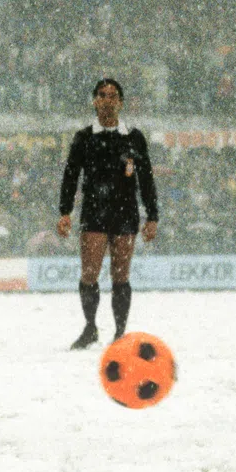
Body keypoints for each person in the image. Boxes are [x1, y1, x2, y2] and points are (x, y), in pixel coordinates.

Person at [56, 78, 158, 349]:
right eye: (102, 95)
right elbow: (71, 176)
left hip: (125, 213)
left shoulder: (134, 137)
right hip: (94, 212)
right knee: (89, 273)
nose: (107, 100)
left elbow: (146, 178)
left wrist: (153, 215)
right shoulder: (84, 137)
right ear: (94, 101)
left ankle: (120, 333)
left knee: (120, 275)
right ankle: (90, 328)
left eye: (112, 95)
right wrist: (65, 211)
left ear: (121, 102)